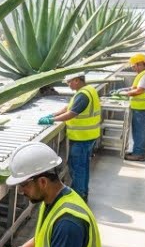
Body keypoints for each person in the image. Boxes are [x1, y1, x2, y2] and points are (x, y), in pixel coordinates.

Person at [38, 72, 100, 201]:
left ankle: (79, 196)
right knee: (83, 167)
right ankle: (82, 192)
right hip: (87, 136)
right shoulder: (87, 90)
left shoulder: (83, 94)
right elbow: (69, 107)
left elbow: (71, 113)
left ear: (77, 80)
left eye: (69, 82)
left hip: (82, 137)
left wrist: (52, 120)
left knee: (77, 168)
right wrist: (53, 114)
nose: (68, 85)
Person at [118, 53, 145, 162]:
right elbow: (136, 87)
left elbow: (140, 90)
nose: (133, 68)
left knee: (139, 131)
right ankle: (137, 151)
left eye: (134, 66)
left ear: (140, 64)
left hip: (142, 107)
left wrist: (126, 94)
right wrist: (127, 89)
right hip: (144, 106)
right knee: (140, 130)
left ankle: (139, 154)